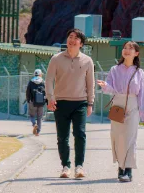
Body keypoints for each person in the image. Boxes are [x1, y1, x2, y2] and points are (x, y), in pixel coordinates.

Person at [96, 41, 144, 183]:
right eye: (125, 48)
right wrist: (105, 86)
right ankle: (121, 167)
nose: (126, 50)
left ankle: (128, 170)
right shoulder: (114, 69)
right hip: (117, 105)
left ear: (136, 53)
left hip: (133, 105)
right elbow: (111, 88)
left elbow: (142, 94)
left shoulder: (139, 72)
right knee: (118, 137)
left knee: (130, 138)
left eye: (130, 49)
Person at [46, 28, 95, 179]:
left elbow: (90, 83)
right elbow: (49, 80)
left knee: (80, 134)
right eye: (70, 37)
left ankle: (79, 166)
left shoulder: (87, 60)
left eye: (76, 38)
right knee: (62, 137)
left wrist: (90, 103)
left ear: (81, 44)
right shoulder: (56, 59)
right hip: (60, 102)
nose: (72, 40)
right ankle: (65, 167)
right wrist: (50, 98)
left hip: (80, 102)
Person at [25, 69, 46, 136]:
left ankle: (34, 124)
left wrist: (28, 100)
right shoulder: (43, 82)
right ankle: (38, 132)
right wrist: (46, 101)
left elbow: (28, 92)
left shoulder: (31, 82)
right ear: (40, 74)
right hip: (41, 102)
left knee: (32, 116)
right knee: (39, 117)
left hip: (32, 102)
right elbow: (46, 91)